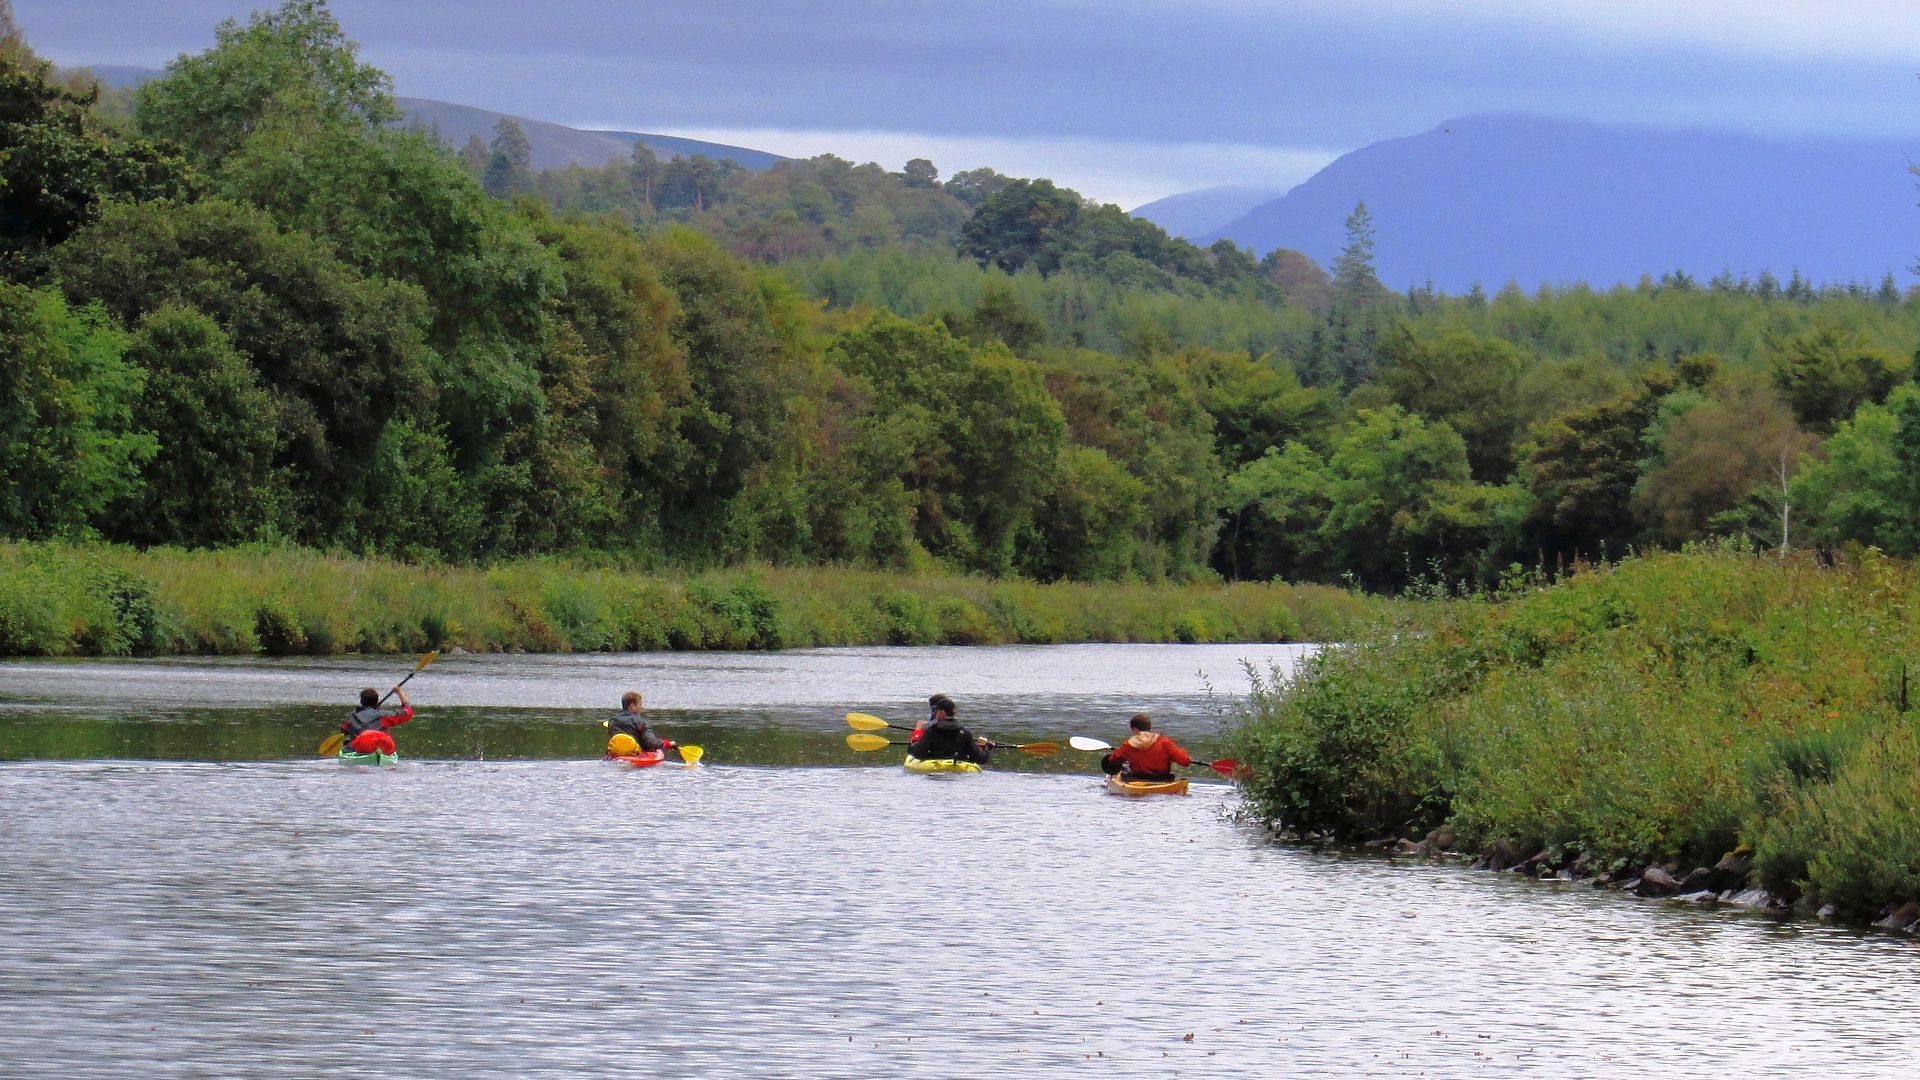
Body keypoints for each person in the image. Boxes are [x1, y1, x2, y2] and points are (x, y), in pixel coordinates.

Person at [1100, 713, 1190, 782]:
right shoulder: (1165, 742)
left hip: (1137, 780)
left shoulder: (1129, 744)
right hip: (1163, 780)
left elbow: (1112, 761)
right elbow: (1185, 761)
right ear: (1149, 727)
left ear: (1135, 729)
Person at [908, 693, 992, 765]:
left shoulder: (931, 730)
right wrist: (984, 747)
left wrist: (914, 740)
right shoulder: (964, 732)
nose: (935, 714)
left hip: (936, 766)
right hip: (958, 767)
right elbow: (980, 759)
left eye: (936, 711)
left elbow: (918, 754)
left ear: (942, 713)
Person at [341, 686, 411, 755]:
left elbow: (344, 730)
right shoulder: (383, 715)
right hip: (380, 747)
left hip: (359, 748)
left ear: (361, 701)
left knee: (347, 744)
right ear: (376, 701)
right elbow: (408, 712)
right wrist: (399, 692)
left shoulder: (352, 716)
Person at [604, 691, 676, 757]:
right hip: (634, 755)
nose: (642, 708)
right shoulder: (640, 722)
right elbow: (650, 742)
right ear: (632, 706)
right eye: (640, 704)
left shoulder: (612, 721)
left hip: (614, 754)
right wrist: (668, 744)